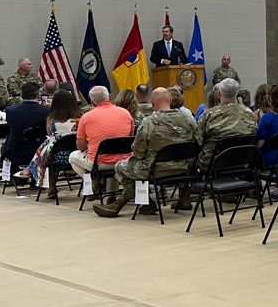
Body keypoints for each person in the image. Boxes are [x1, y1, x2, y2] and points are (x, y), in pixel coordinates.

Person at [93, 87, 199, 218]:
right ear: (170, 100)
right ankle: (184, 197)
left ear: (152, 102)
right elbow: (198, 142)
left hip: (156, 170)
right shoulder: (189, 119)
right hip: (185, 168)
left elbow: (138, 152)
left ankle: (137, 203)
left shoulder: (149, 122)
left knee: (120, 166)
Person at [194, 78, 258, 207]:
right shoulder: (249, 113)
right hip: (242, 159)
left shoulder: (210, 114)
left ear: (219, 94)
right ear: (237, 93)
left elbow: (198, 139)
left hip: (213, 161)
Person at [67, 86, 135, 194]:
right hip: (124, 160)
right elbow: (130, 137)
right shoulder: (126, 113)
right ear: (109, 96)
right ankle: (111, 193)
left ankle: (94, 181)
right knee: (115, 155)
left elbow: (81, 146)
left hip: (99, 163)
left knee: (72, 157)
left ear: (91, 101)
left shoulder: (86, 117)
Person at [28, 86, 81, 195]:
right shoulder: (80, 117)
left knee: (49, 150)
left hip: (57, 157)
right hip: (76, 154)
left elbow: (50, 134)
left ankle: (51, 187)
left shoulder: (51, 119)